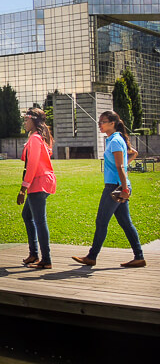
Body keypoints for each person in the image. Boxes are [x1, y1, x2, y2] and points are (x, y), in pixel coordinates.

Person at [73, 110, 146, 268]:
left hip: (115, 188)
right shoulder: (115, 139)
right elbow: (132, 155)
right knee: (126, 223)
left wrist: (125, 188)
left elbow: (120, 166)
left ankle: (92, 257)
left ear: (112, 123)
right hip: (119, 186)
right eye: (99, 121)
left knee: (101, 221)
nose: (100, 124)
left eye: (102, 122)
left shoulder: (114, 141)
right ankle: (139, 257)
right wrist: (125, 173)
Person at [18, 107, 56, 269]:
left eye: (27, 119)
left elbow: (32, 165)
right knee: (27, 215)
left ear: (34, 120)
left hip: (38, 182)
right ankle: (34, 254)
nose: (25, 122)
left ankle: (46, 259)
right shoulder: (39, 137)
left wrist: (22, 189)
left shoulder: (35, 139)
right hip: (42, 181)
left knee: (40, 221)